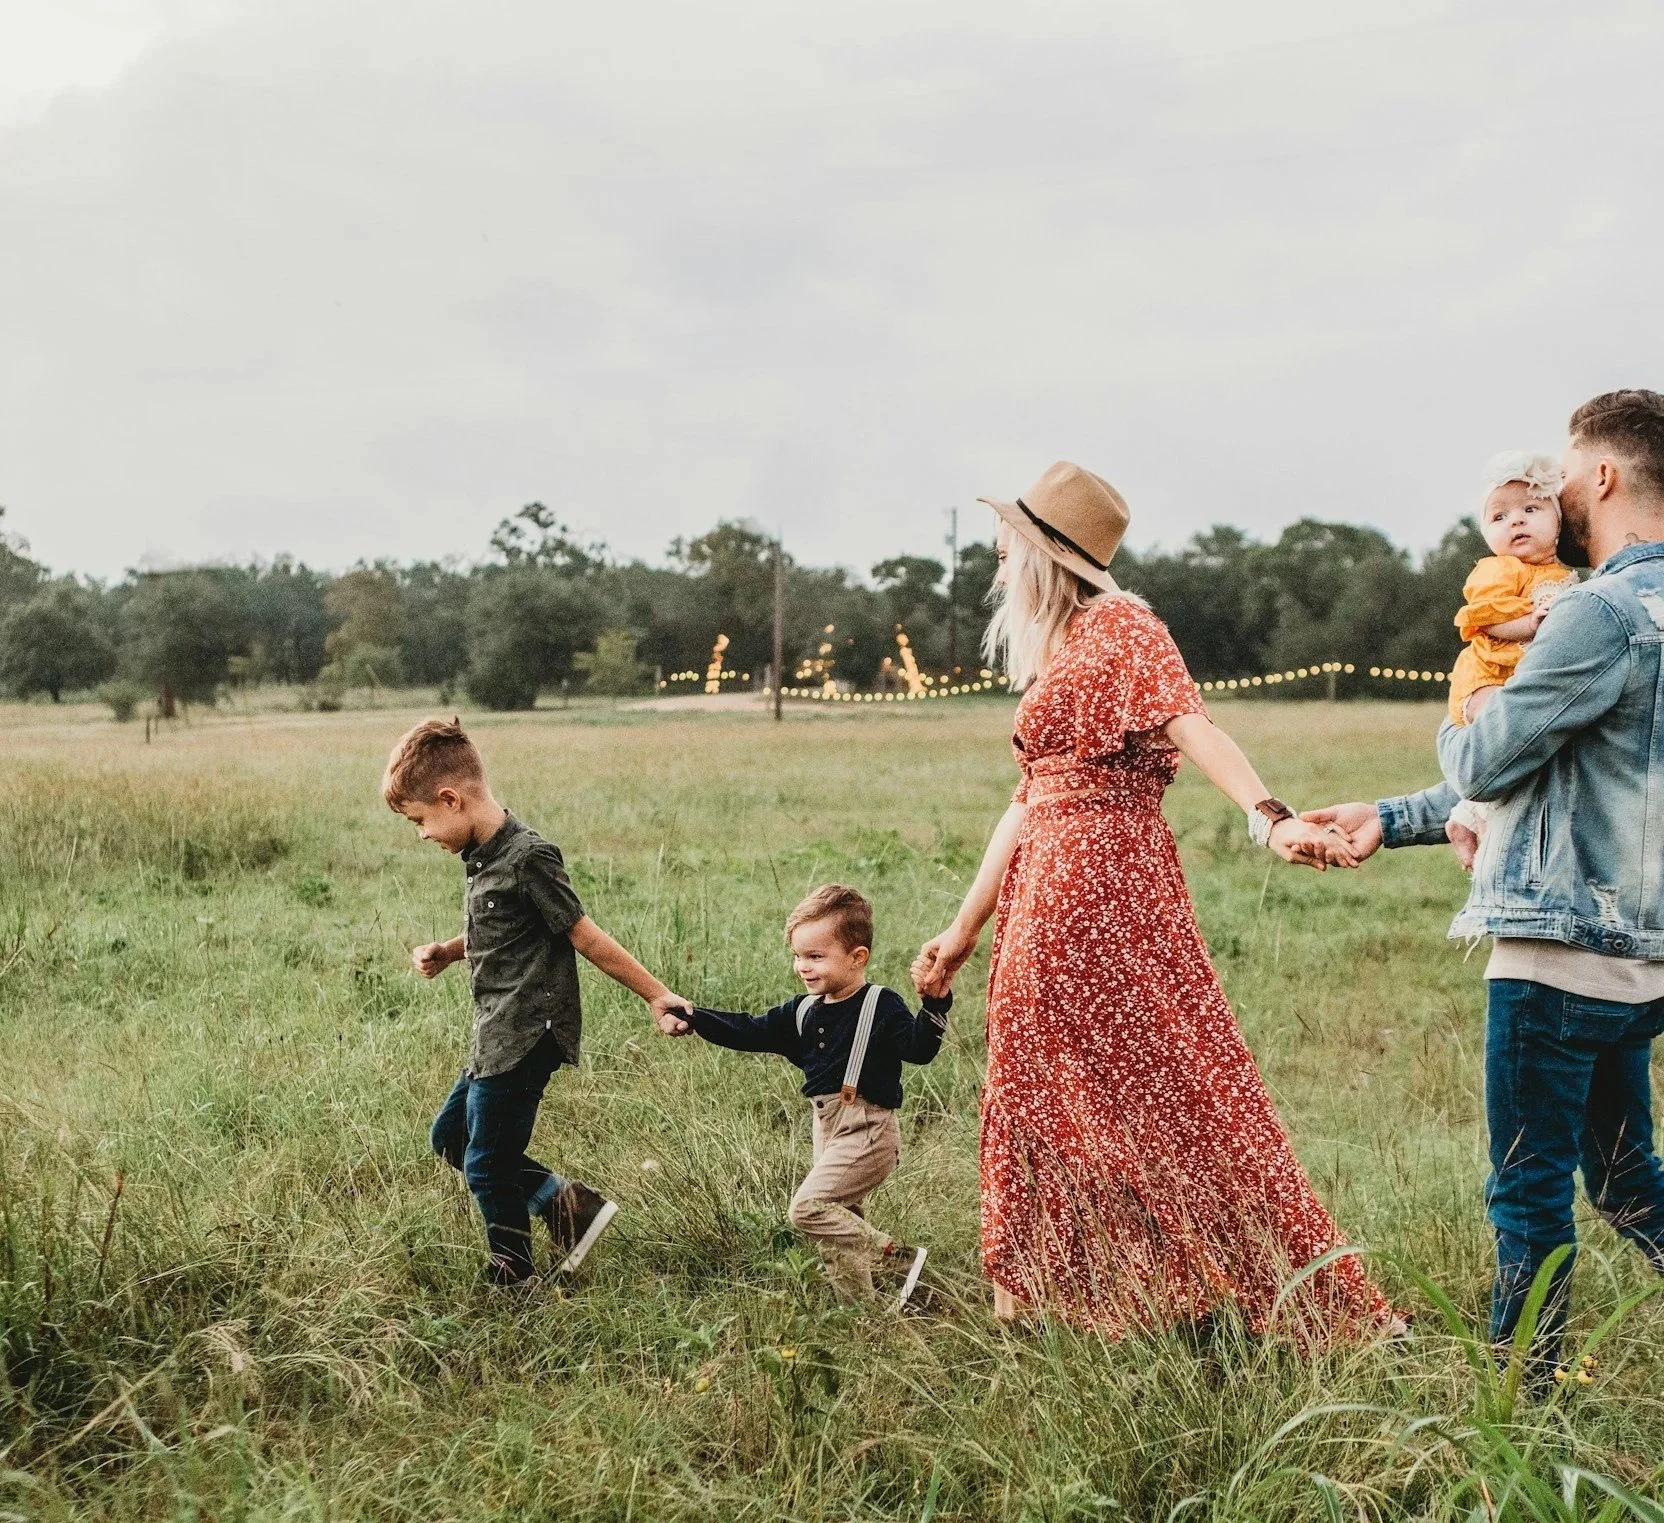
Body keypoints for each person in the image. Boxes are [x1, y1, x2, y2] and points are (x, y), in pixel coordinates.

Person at [1305, 391, 1664, 1432]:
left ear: (1602, 478)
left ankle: (1515, 1412)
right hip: (1639, 961)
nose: (1550, 494)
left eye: (1564, 473)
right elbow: (1554, 771)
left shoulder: (1594, 611)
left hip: (1555, 955)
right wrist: (1392, 817)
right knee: (1629, 1176)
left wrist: (1466, 710)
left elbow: (1491, 754)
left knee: (1526, 1192)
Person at [910, 460, 1398, 1340]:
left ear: (1045, 553)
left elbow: (1192, 724)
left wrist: (1269, 818)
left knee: (1166, 1086)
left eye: (1007, 541)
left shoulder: (1124, 626)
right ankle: (1063, 1301)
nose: (994, 555)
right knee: (1047, 1090)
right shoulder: (1062, 647)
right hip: (1046, 888)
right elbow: (1025, 803)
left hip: (1101, 885)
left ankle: (1218, 1291)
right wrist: (961, 929)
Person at [386, 717, 692, 1289]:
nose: (422, 834)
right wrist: (451, 951)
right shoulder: (481, 856)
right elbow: (501, 930)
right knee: (450, 1139)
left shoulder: (528, 856)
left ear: (451, 799)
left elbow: (583, 934)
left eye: (420, 820)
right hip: (495, 1032)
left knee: (486, 1163)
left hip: (528, 1032)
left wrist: (658, 996)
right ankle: (571, 1208)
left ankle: (514, 1276)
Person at [674, 884, 949, 1308]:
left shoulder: (880, 1004)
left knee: (809, 1209)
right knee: (838, 1228)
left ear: (857, 958)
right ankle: (863, 1317)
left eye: (816, 956)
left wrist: (935, 1003)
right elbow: (748, 1030)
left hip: (869, 1130)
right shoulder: (802, 1011)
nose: (803, 966)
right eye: (798, 956)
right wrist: (693, 1017)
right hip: (826, 1129)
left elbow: (920, 1050)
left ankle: (895, 1258)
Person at [1444, 451, 1577, 857]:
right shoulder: (1499, 569)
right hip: (1485, 678)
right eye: (1498, 517)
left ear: (1558, 521)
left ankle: (1466, 817)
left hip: (1519, 681)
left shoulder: (1565, 577)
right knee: (1504, 735)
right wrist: (1531, 624)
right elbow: (1486, 619)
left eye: (1530, 509)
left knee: (1523, 750)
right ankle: (1474, 819)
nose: (1515, 521)